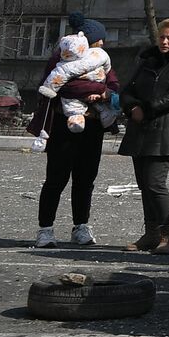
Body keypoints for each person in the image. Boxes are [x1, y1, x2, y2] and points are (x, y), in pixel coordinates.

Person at [31, 20, 119, 248]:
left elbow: (114, 86)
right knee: (56, 178)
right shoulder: (62, 57)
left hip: (92, 126)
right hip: (63, 126)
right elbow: (56, 85)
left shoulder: (102, 59)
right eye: (98, 40)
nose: (101, 43)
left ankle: (81, 226)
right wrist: (97, 89)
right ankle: (45, 229)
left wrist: (104, 94)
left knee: (85, 178)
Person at [119, 18, 169, 254]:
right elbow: (128, 89)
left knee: (155, 183)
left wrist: (148, 108)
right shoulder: (148, 59)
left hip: (165, 130)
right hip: (140, 128)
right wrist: (132, 107)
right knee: (144, 184)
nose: (165, 41)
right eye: (162, 37)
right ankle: (151, 234)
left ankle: (167, 235)